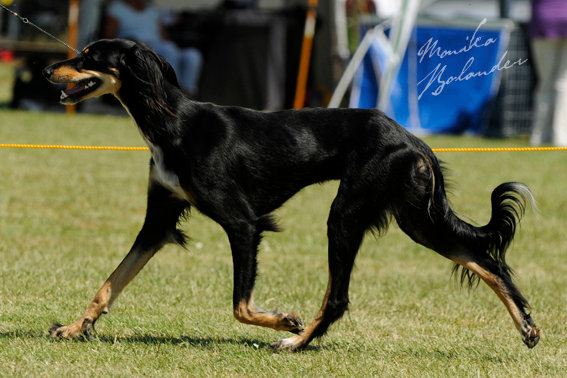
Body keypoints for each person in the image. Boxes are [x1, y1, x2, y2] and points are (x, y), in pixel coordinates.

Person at [104, 0, 203, 96]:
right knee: (168, 50)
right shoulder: (117, 8)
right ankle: (173, 92)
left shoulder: (152, 10)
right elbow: (110, 36)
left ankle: (187, 92)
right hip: (138, 48)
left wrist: (172, 46)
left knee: (192, 55)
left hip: (161, 46)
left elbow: (164, 36)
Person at [529, 0, 567, 146]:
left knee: (545, 82)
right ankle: (560, 136)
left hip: (543, 21)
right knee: (563, 82)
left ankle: (538, 136)